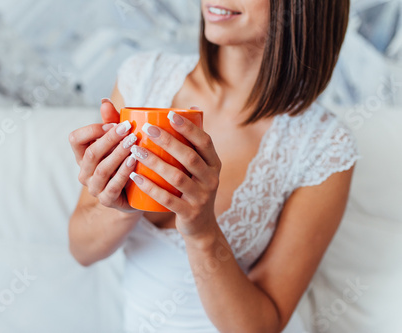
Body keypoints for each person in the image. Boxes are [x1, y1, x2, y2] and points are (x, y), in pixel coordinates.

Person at [68, 0, 360, 332]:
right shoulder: (142, 79)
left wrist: (203, 232)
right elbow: (81, 250)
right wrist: (121, 205)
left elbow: (263, 325)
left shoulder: (325, 145)